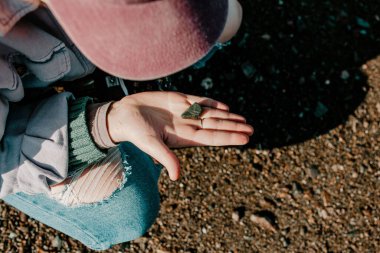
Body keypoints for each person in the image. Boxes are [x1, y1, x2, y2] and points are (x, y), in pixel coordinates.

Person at [0, 0, 251, 250]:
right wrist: (103, 125)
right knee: (129, 208)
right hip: (12, 141)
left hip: (51, 52)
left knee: (224, 22)